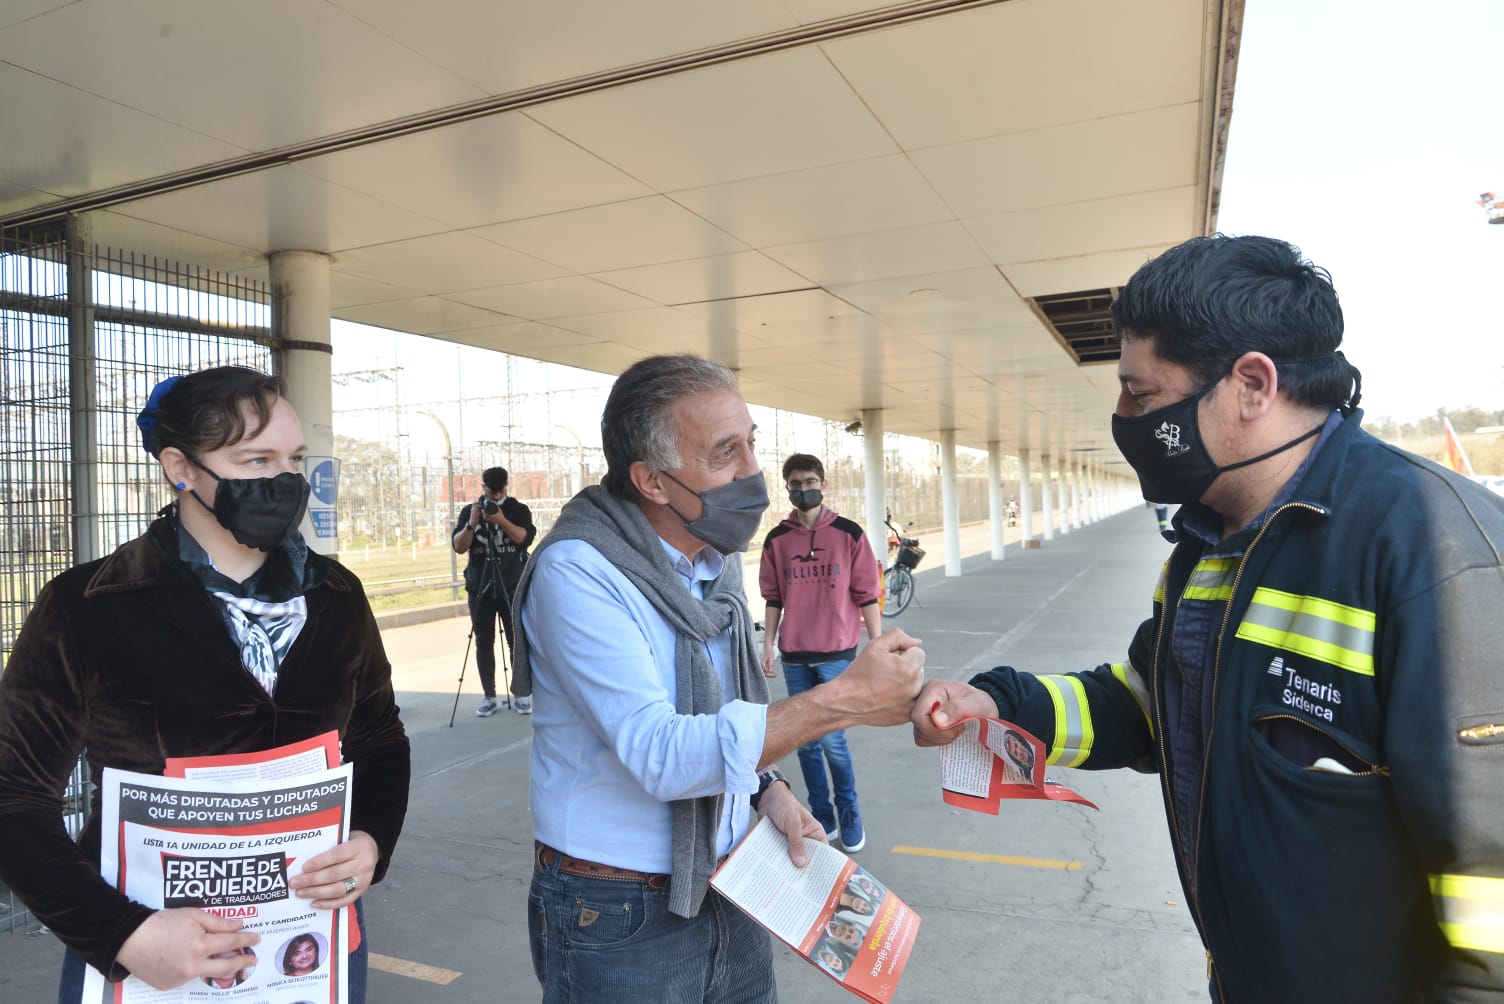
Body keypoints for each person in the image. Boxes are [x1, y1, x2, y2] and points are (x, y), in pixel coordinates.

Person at [911, 234, 1504, 1002]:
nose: (1122, 416)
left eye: (1141, 393)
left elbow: (1490, 864)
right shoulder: (1204, 546)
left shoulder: (1435, 548)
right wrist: (1000, 705)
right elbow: (1147, 704)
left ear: (1251, 384)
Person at [512, 354, 925, 1003]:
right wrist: (844, 698)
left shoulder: (715, 566)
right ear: (652, 480)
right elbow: (662, 752)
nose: (754, 474)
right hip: (618, 909)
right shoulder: (579, 574)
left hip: (731, 874)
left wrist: (769, 791)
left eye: (752, 444)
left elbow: (722, 710)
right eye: (725, 453)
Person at [0, 366, 410, 1000]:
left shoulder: (337, 596)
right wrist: (122, 936)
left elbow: (380, 741)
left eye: (294, 459)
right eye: (255, 459)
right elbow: (14, 798)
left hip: (310, 949)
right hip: (148, 961)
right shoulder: (88, 607)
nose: (283, 479)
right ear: (180, 467)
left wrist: (372, 839)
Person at [758, 453, 882, 852]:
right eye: (795, 484)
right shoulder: (777, 540)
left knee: (833, 741)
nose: (803, 489)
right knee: (806, 743)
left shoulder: (848, 533)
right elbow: (773, 598)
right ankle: (822, 817)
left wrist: (876, 648)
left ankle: (849, 815)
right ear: (788, 488)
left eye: (810, 481)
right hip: (795, 654)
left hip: (837, 653)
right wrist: (769, 646)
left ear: (823, 484)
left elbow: (867, 594)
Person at [452, 466, 536, 716]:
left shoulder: (518, 510)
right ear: (483, 488)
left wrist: (500, 519)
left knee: (516, 642)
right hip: (481, 588)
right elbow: (458, 547)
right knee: (483, 642)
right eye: (491, 492)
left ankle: (521, 693)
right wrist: (471, 524)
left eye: (499, 492)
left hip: (511, 586)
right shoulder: (471, 511)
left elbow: (524, 538)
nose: (495, 497)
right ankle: (489, 696)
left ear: (506, 487)